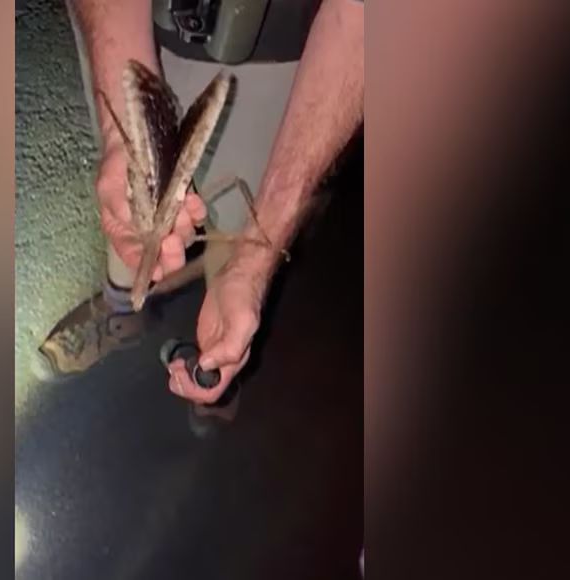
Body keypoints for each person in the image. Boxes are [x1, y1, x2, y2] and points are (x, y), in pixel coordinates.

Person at [42, 0, 364, 411]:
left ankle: (214, 355)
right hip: (133, 26)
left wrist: (255, 263)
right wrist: (120, 133)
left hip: (275, 49)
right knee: (127, 208)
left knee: (234, 230)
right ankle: (122, 311)